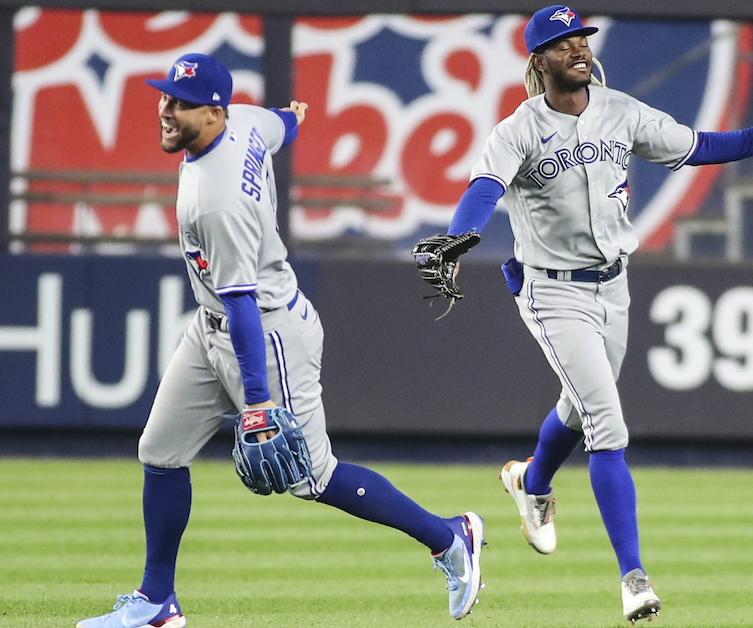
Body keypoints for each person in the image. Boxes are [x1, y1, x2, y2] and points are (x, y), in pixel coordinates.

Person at [437, 6, 753, 623]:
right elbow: (483, 190)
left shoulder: (620, 110)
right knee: (607, 424)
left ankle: (530, 482)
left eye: (581, 38)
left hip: (613, 286)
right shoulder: (517, 130)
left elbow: (700, 146)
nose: (577, 48)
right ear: (538, 61)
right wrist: (460, 239)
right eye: (562, 42)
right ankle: (633, 578)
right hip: (552, 292)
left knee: (578, 407)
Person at [77, 53, 484, 628]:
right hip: (212, 323)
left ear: (214, 113)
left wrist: (258, 400)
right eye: (164, 96)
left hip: (265, 332)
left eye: (181, 104)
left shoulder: (216, 200)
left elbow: (242, 301)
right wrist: (293, 117)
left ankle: (450, 538)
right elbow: (278, 125)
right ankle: (156, 603)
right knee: (160, 454)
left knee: (313, 477)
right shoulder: (243, 121)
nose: (166, 110)